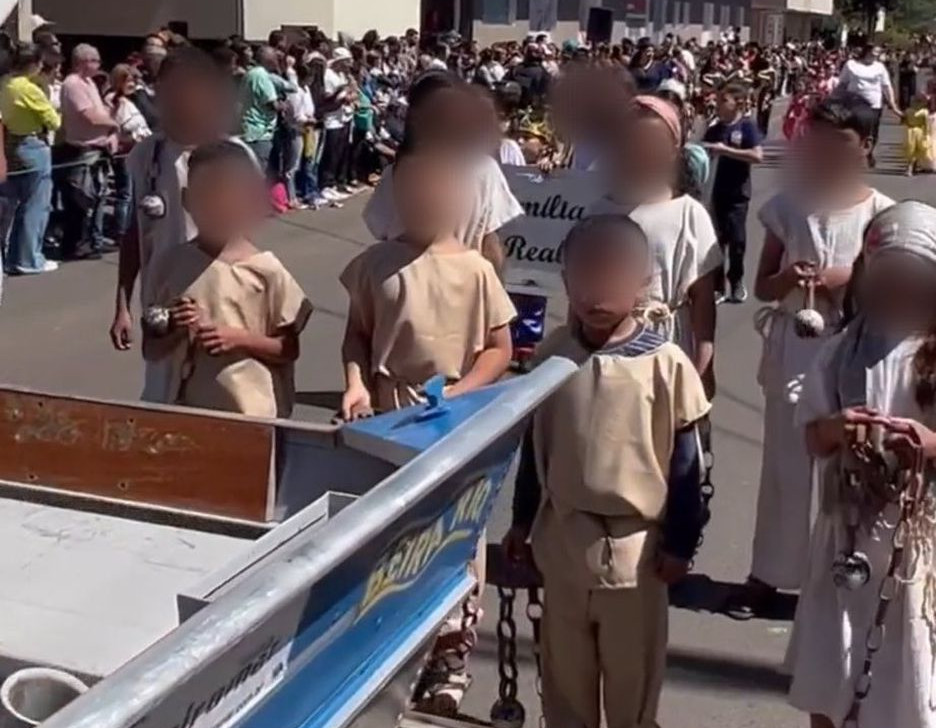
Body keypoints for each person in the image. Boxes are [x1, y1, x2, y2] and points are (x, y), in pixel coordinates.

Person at [503, 214, 710, 728]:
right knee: (564, 677)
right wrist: (522, 522)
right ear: (567, 280)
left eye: (613, 276)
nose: (597, 292)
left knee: (630, 681)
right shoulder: (553, 356)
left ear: (641, 282)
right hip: (563, 539)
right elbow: (536, 448)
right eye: (585, 277)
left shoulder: (666, 365)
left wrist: (681, 545)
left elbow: (687, 466)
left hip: (635, 554)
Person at [726, 94, 894, 620]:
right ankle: (769, 573)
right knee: (785, 464)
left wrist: (846, 277)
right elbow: (763, 286)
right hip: (795, 351)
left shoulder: (880, 215)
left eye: (840, 146)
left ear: (864, 148)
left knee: (849, 466)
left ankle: (843, 574)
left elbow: (892, 291)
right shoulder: (789, 206)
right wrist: (791, 279)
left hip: (852, 354)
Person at [787, 200, 936, 728]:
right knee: (835, 667)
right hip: (846, 532)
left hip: (918, 543)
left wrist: (924, 441)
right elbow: (813, 436)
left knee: (907, 672)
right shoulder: (843, 349)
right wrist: (839, 426)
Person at [109, 47, 252, 394]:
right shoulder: (147, 155)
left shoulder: (233, 155)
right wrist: (122, 305)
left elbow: (246, 243)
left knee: (223, 404)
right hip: (162, 307)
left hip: (219, 308)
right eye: (166, 91)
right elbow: (137, 232)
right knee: (163, 404)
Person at [339, 145, 515, 415]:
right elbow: (357, 336)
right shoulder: (374, 264)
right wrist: (357, 385)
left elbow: (499, 349)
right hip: (387, 411)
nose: (422, 197)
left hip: (454, 410)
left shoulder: (477, 270)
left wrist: (459, 392)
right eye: (409, 186)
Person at [143, 141, 310, 418]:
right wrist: (176, 329)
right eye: (206, 197)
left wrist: (239, 339)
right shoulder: (169, 266)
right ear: (187, 200)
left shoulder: (267, 271)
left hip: (252, 414)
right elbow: (151, 348)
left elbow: (288, 348)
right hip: (187, 412)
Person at [590, 95, 720, 397]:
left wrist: (703, 367)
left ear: (674, 148)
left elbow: (703, 302)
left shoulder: (690, 214)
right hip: (605, 346)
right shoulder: (599, 211)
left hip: (667, 343)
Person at [363, 72, 523, 273]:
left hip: (439, 286)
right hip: (425, 287)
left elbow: (490, 244)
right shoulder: (395, 175)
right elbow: (490, 244)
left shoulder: (484, 170)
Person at [0, 42, 60, 274]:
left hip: (8, 144)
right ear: (34, 64)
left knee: (10, 206)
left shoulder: (4, 84)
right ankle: (28, 258)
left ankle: (10, 255)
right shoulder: (29, 89)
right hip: (31, 144)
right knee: (35, 204)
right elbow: (53, 121)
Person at [703, 83, 764, 304]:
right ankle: (718, 286)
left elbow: (757, 156)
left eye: (723, 101)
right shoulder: (714, 129)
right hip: (714, 193)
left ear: (737, 103)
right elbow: (702, 155)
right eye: (717, 100)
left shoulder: (746, 127)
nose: (718, 105)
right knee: (716, 242)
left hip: (737, 193)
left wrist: (726, 150)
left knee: (736, 240)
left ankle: (736, 281)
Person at [58, 43, 118, 260]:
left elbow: (101, 110)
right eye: (95, 60)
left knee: (96, 199)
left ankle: (93, 241)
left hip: (98, 147)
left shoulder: (90, 83)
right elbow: (89, 116)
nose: (98, 65)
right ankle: (75, 246)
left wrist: (111, 130)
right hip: (81, 149)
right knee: (80, 201)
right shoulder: (73, 84)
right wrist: (115, 124)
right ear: (82, 61)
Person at [836, 44, 901, 167]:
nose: (875, 56)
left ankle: (868, 152)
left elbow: (886, 86)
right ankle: (854, 154)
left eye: (877, 54)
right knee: (855, 130)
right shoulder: (851, 65)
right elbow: (842, 83)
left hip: (874, 104)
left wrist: (892, 104)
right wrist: (835, 98)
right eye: (873, 53)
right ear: (866, 52)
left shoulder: (880, 67)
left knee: (872, 131)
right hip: (854, 102)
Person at [107, 64, 152, 239]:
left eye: (134, 80)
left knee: (133, 192)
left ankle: (129, 226)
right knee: (125, 193)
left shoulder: (132, 100)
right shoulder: (112, 100)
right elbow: (117, 126)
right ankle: (122, 230)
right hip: (125, 151)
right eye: (128, 80)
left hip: (138, 150)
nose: (132, 84)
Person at [239, 45, 295, 173]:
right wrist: (284, 105)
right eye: (275, 58)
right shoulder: (261, 76)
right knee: (259, 171)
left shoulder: (252, 73)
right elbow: (272, 104)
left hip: (251, 130)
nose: (277, 61)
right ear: (269, 59)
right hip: (258, 132)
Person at [317, 47, 355, 202]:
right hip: (331, 119)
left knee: (340, 152)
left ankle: (333, 184)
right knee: (330, 153)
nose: (349, 65)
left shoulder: (342, 75)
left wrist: (349, 93)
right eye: (346, 61)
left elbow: (351, 92)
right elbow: (327, 98)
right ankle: (325, 185)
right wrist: (341, 95)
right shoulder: (328, 76)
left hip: (343, 118)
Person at [902, 92, 932, 177]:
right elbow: (926, 125)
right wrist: (926, 134)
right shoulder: (923, 112)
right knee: (913, 149)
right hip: (917, 131)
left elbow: (905, 121)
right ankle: (910, 167)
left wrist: (926, 134)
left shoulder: (910, 111)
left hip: (912, 131)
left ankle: (912, 166)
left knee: (913, 149)